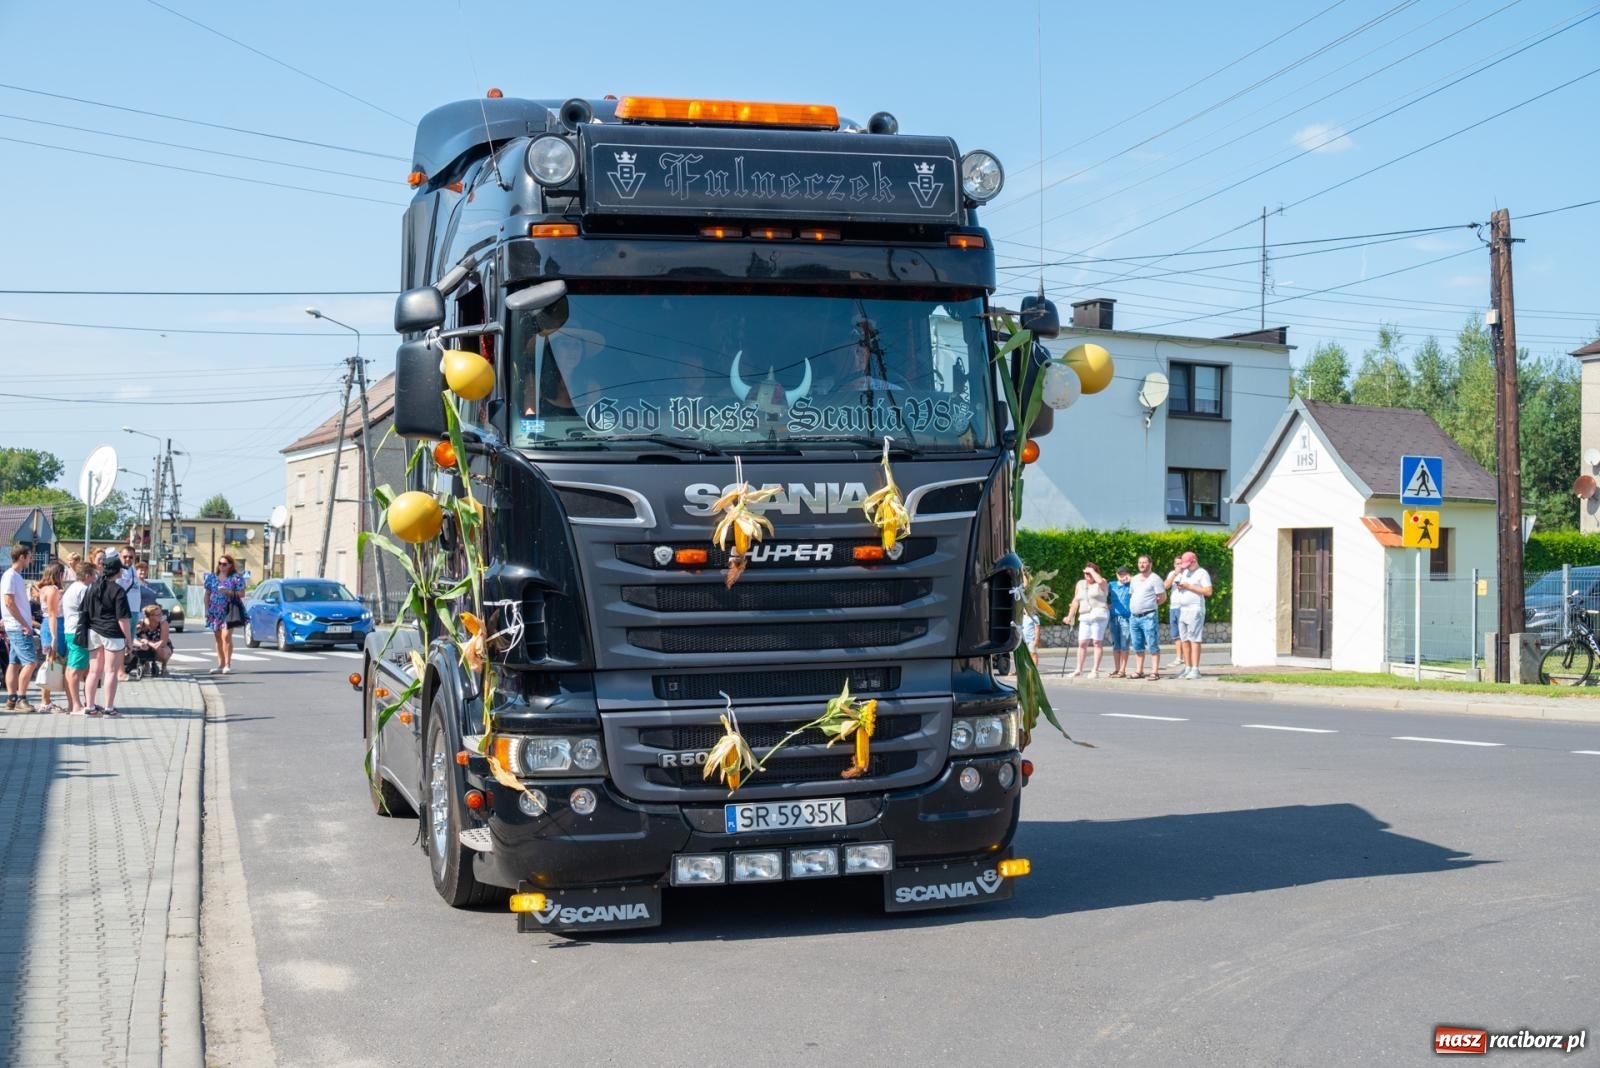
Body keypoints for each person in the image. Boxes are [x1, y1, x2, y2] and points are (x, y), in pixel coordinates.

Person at [82, 549, 133, 716]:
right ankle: (109, 708)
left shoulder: (93, 588)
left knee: (94, 671)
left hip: (93, 631)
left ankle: (89, 706)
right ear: (117, 571)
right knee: (110, 671)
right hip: (112, 633)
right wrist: (129, 639)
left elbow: (86, 610)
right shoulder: (118, 591)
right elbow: (123, 619)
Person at [4, 545, 41, 712]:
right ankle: (21, 698)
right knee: (31, 662)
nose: (31, 560)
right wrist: (25, 624)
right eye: (29, 556)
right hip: (18, 627)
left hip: (15, 625)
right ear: (22, 557)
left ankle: (12, 698)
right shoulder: (11, 576)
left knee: (14, 662)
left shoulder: (15, 576)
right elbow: (9, 602)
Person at [1170, 550, 1215, 680]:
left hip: (1195, 609)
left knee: (1194, 639)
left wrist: (1189, 587)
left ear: (1194, 561)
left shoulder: (1202, 573)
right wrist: (1181, 587)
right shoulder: (1185, 572)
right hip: (1182, 608)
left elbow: (1208, 591)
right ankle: (1188, 667)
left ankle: (1195, 669)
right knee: (1184, 639)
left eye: (1188, 564)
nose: (1186, 567)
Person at [1064, 561, 1110, 678]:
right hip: (1084, 615)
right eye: (1085, 573)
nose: (1087, 576)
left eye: (1089, 573)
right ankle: (1079, 669)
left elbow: (1099, 581)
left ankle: (1095, 670)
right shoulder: (1080, 584)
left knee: (1096, 642)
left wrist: (1092, 571)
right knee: (1082, 643)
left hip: (1098, 615)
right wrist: (1070, 616)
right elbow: (1075, 600)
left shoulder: (1102, 582)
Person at [61, 560, 95, 714]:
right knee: (76, 669)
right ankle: (76, 705)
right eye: (94, 574)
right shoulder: (83, 590)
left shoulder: (73, 587)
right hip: (79, 632)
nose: (95, 578)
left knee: (71, 668)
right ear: (87, 575)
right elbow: (91, 612)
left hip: (71, 630)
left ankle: (72, 704)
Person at [1127, 554, 1168, 680]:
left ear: (1150, 564)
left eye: (1144, 562)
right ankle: (1139, 671)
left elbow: (1162, 597)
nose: (1142, 565)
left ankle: (1154, 672)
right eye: (1140, 563)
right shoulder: (1134, 579)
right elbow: (1132, 595)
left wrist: (1151, 605)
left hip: (1148, 616)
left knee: (1152, 644)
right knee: (1137, 645)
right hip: (1134, 617)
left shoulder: (1155, 579)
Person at [204, 554, 245, 674]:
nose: (221, 566)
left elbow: (242, 593)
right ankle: (220, 664)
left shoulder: (236, 578)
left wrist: (228, 592)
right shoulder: (212, 578)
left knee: (226, 636)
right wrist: (206, 610)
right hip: (214, 610)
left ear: (230, 565)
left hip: (229, 609)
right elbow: (207, 594)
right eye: (220, 563)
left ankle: (227, 664)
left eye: (224, 564)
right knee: (218, 638)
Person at [35, 563, 67, 712]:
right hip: (54, 625)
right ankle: (45, 701)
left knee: (51, 662)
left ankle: (46, 700)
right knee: (52, 661)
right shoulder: (53, 590)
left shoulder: (43, 589)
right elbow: (53, 614)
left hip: (47, 625)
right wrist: (54, 636)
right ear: (58, 574)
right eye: (63, 573)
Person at [115, 547, 141, 681]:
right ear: (120, 556)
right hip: (123, 612)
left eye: (131, 557)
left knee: (128, 643)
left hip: (134, 610)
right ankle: (119, 671)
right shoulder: (118, 571)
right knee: (121, 642)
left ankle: (123, 669)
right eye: (125, 556)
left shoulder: (133, 570)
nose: (128, 559)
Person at [1106, 566, 1134, 678]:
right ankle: (1117, 669)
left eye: (1124, 574)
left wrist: (1130, 579)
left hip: (1126, 618)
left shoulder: (1131, 585)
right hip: (1113, 618)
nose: (1121, 576)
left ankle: (1122, 670)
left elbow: (1141, 581)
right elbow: (1102, 593)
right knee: (1116, 645)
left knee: (1124, 644)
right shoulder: (1111, 585)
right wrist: (1107, 605)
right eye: (1119, 574)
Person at [133, 604, 173, 676]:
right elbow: (137, 636)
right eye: (157, 615)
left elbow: (163, 642)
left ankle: (164, 666)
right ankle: (146, 664)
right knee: (142, 648)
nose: (161, 616)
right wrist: (149, 643)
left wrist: (152, 644)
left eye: (161, 613)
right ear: (150, 616)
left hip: (160, 645)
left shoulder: (163, 623)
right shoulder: (142, 623)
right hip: (145, 645)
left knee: (162, 652)